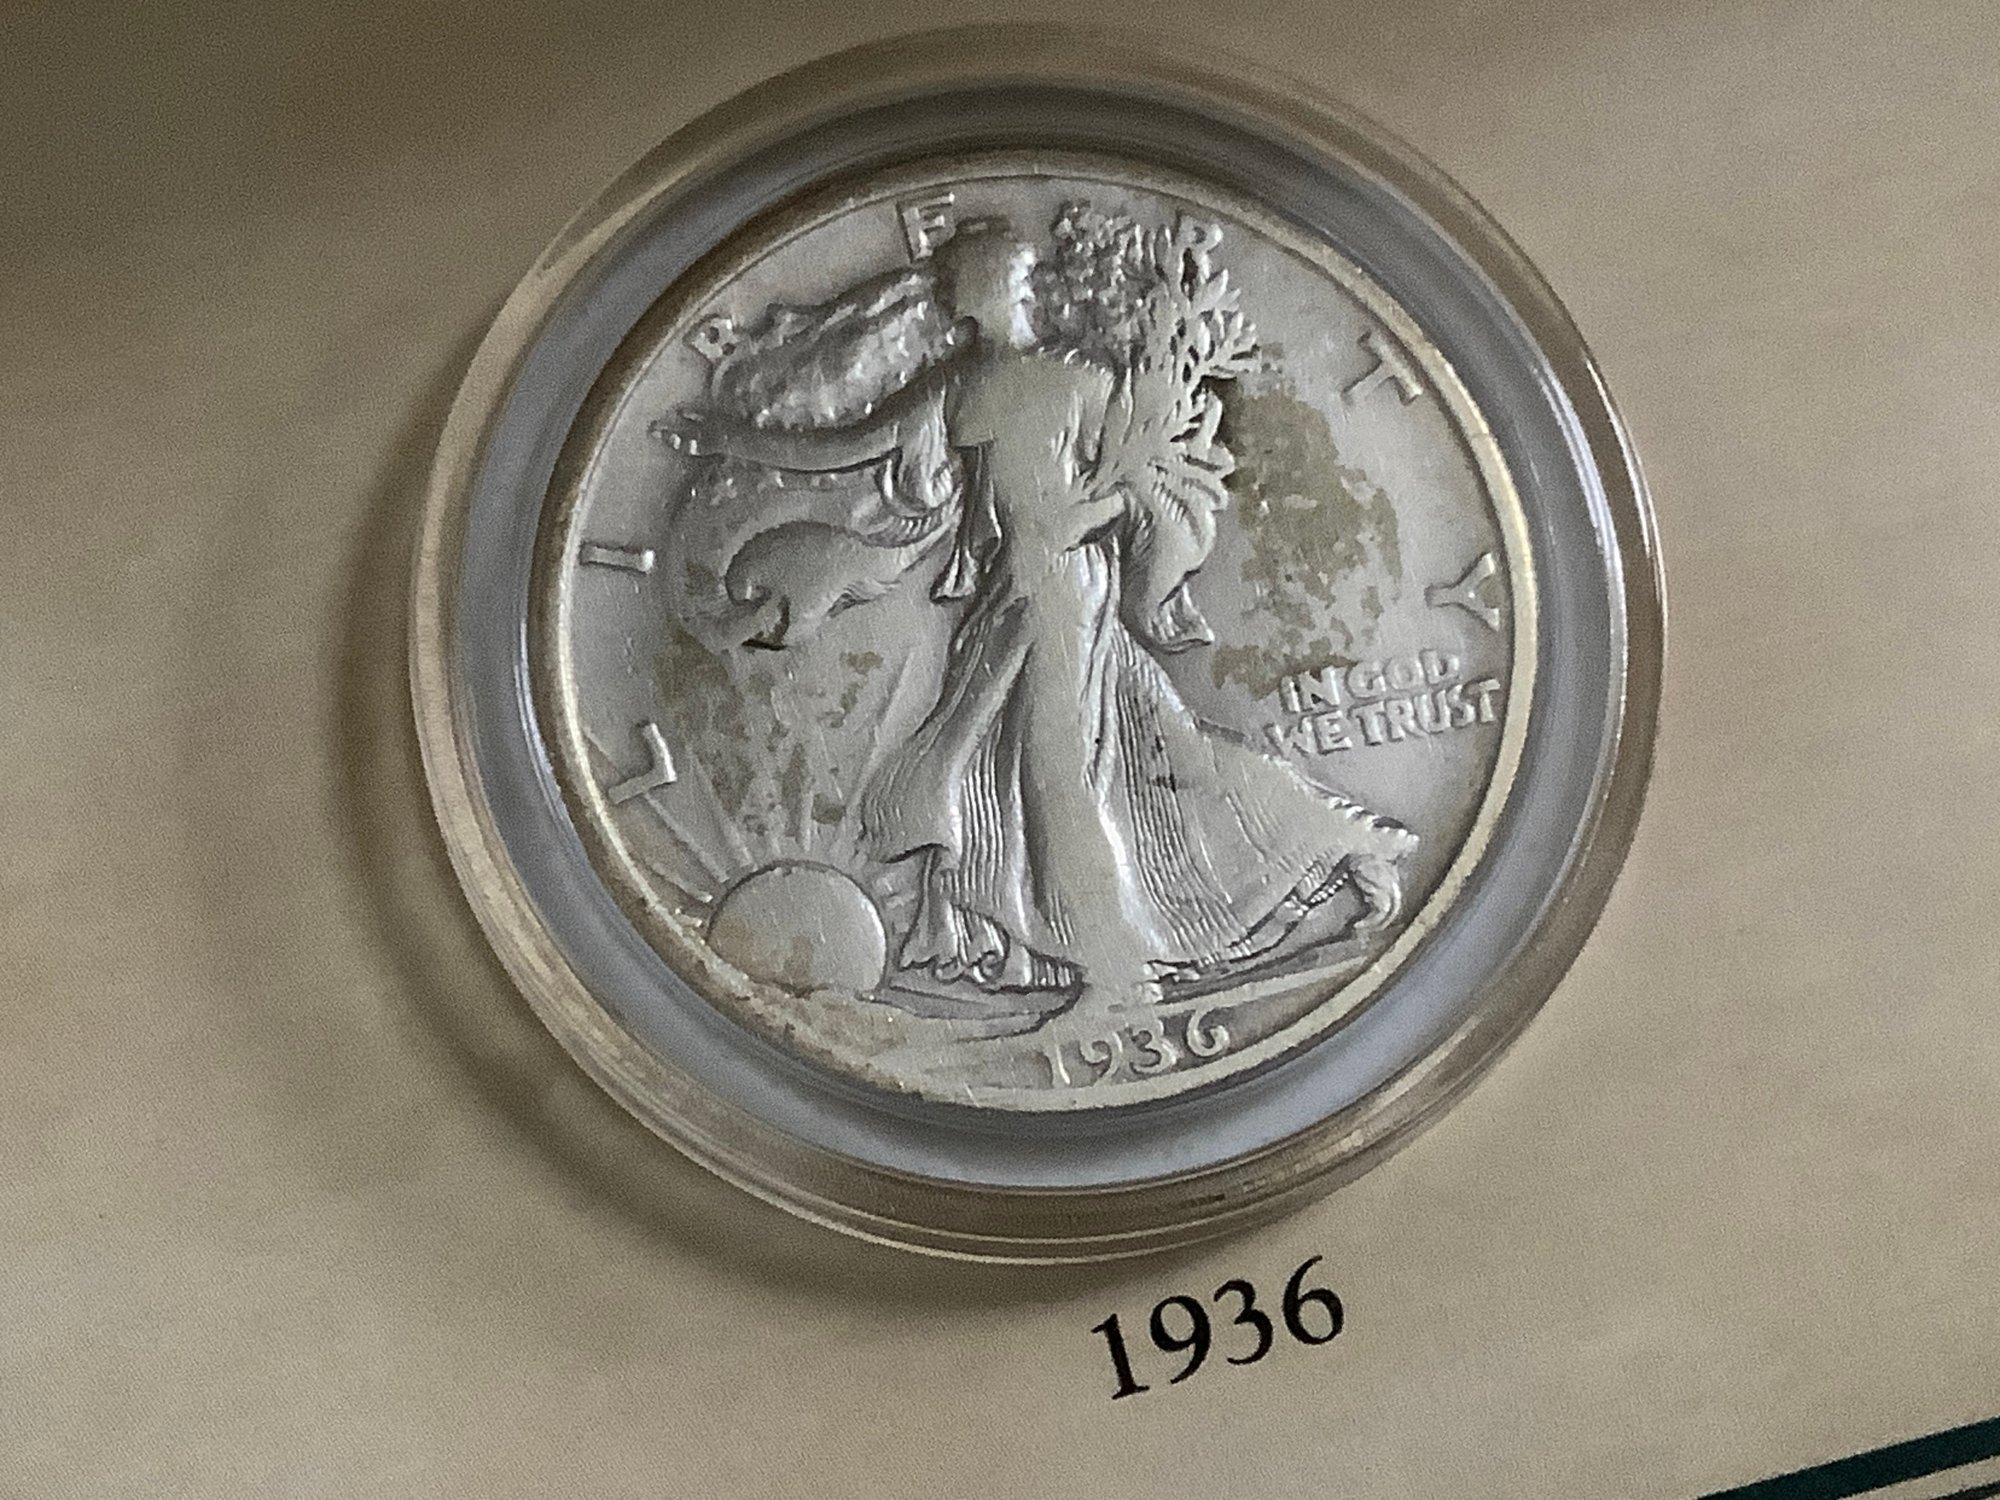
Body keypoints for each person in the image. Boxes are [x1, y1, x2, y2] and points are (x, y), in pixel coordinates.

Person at [664, 211, 1416, 1023]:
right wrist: (730, 441)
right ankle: (1340, 848)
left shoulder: (1079, 380)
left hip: (1063, 593)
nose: (948, 289)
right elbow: (845, 447)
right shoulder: (956, 386)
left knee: (1055, 780)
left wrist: (1083, 519)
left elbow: (1147, 487)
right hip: (1006, 597)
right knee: (1149, 755)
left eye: (961, 275)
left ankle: (1120, 974)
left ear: (999, 282)